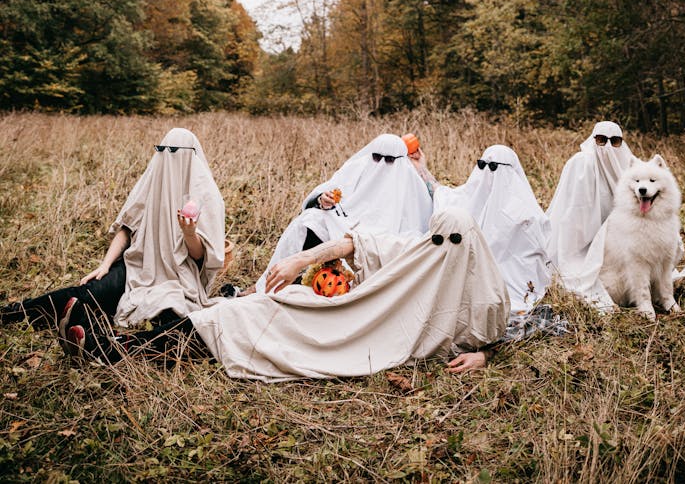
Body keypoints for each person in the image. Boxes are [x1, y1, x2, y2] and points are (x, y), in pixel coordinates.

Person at [66, 207, 512, 382]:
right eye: (435, 239)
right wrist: (302, 261)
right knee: (255, 309)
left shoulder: (487, 299)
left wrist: (485, 356)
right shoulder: (419, 252)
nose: (438, 250)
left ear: (470, 250)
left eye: (449, 244)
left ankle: (121, 350)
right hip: (343, 312)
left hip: (371, 342)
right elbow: (355, 243)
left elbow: (505, 333)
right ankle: (128, 346)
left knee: (256, 331)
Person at [1, 127, 225, 338]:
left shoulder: (206, 196)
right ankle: (13, 313)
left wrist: (189, 233)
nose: (167, 157)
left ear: (190, 154)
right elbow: (126, 229)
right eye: (162, 150)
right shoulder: (152, 183)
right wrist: (105, 265)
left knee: (168, 313)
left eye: (174, 152)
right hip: (138, 265)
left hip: (179, 275)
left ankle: (113, 343)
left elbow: (200, 257)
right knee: (89, 293)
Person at [254, 133, 432, 294]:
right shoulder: (359, 167)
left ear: (401, 159)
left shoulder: (411, 181)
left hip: (382, 242)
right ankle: (269, 283)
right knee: (309, 219)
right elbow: (328, 195)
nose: (381, 165)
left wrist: (422, 168)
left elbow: (423, 218)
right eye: (377, 158)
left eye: (390, 160)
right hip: (347, 227)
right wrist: (323, 201)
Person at [411, 143, 552, 314]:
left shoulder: (527, 215)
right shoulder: (472, 196)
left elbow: (533, 258)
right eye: (482, 165)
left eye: (492, 167)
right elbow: (442, 194)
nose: (487, 171)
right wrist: (423, 169)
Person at [545, 120, 633, 305]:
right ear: (593, 140)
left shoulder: (627, 165)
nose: (608, 147)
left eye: (615, 141)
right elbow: (573, 212)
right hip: (581, 242)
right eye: (602, 140)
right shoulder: (581, 163)